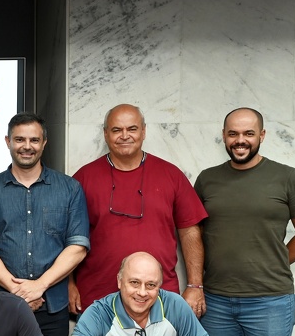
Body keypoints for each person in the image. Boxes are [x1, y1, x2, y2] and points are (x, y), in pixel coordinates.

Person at [194, 107, 295, 336]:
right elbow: (194, 235)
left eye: (249, 133)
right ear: (224, 137)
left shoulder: (287, 177)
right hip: (216, 302)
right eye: (233, 134)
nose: (241, 140)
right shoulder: (207, 179)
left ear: (262, 135)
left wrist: (273, 262)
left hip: (270, 300)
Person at [0, 112, 89, 336]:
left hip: (52, 307)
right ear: (7, 141)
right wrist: (19, 291)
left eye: (34, 140)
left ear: (44, 143)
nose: (27, 146)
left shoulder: (69, 189)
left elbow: (77, 246)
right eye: (19, 139)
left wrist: (39, 286)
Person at [69, 103, 208, 318]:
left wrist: (195, 286)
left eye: (132, 129)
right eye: (116, 130)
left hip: (159, 299)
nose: (125, 136)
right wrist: (68, 284)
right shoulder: (83, 178)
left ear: (143, 131)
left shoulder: (171, 174)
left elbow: (190, 230)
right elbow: (67, 236)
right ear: (106, 134)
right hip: (97, 300)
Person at [64, 252, 215, 336]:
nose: (142, 293)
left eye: (150, 285)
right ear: (119, 281)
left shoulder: (174, 305)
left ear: (159, 286)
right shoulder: (100, 311)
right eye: (134, 283)